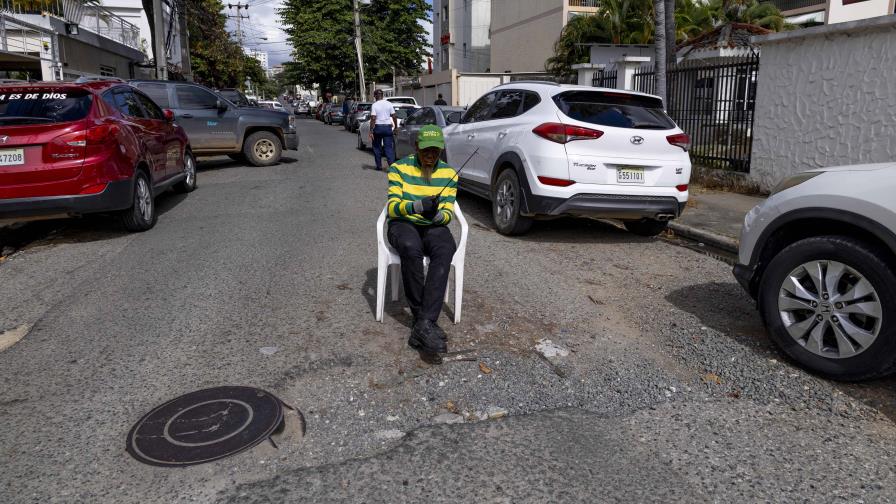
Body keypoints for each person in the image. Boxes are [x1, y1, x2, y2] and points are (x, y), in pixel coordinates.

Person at [386, 125, 457, 355]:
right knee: (410, 247)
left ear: (441, 150)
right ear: (416, 147)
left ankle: (423, 324)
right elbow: (393, 208)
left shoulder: (449, 174)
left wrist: (435, 214)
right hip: (403, 223)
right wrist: (417, 206)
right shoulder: (398, 168)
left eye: (435, 151)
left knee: (446, 248)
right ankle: (423, 321)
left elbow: (447, 213)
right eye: (426, 150)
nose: (430, 155)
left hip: (432, 225)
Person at [369, 89, 397, 170]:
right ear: (382, 95)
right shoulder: (389, 104)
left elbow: (373, 118)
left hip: (378, 128)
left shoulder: (374, 105)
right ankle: (392, 167)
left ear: (375, 96)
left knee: (377, 147)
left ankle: (379, 166)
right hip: (388, 127)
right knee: (388, 148)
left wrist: (371, 130)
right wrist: (396, 127)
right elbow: (394, 116)